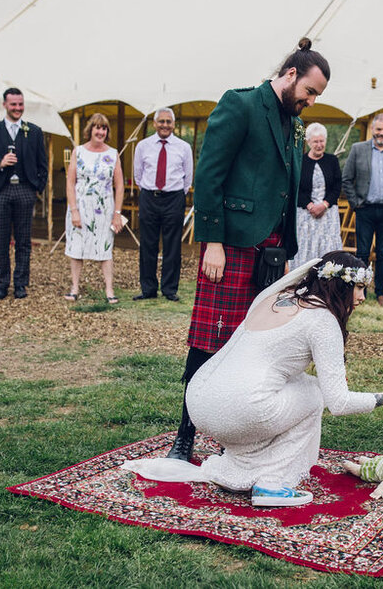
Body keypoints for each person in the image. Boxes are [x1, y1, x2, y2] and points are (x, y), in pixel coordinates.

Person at [124, 252, 383, 508]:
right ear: (336, 285)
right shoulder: (323, 320)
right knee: (315, 392)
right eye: (357, 288)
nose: (361, 298)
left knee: (296, 388)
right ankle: (273, 483)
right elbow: (340, 403)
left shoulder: (277, 296)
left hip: (199, 401)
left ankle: (241, 465)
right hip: (238, 410)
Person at [167, 38, 331, 462]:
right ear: (291, 74)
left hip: (272, 252)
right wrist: (213, 242)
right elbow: (209, 174)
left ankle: (232, 436)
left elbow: (285, 189)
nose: (311, 101)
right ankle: (184, 437)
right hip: (232, 245)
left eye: (317, 96)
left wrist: (288, 248)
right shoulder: (240, 105)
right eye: (310, 91)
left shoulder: (293, 123)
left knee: (251, 345)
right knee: (209, 341)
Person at [0, 88, 48, 300]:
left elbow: (43, 164)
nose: (17, 108)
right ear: (4, 105)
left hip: (25, 191)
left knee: (24, 241)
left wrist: (36, 188)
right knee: (2, 240)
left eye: (20, 104)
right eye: (13, 104)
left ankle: (21, 284)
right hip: (0, 191)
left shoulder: (34, 131)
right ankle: (2, 284)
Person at [341, 113, 383, 306]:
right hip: (365, 208)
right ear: (372, 129)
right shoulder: (358, 149)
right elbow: (346, 178)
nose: (382, 133)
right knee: (362, 252)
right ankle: (361, 291)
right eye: (378, 129)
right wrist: (355, 203)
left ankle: (381, 292)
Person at [132, 108, 194, 302]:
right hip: (149, 197)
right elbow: (138, 175)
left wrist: (175, 194)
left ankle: (169, 289)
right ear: (154, 124)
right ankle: (148, 289)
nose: (165, 125)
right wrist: (150, 192)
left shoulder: (183, 147)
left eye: (168, 122)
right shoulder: (142, 146)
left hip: (174, 198)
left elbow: (188, 177)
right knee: (148, 244)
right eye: (161, 121)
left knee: (172, 245)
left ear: (173, 125)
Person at [64, 113, 125, 303]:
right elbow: (70, 182)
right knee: (77, 247)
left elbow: (120, 185)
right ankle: (74, 288)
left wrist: (117, 214)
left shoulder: (113, 153)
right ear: (90, 130)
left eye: (104, 128)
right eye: (97, 127)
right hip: (80, 207)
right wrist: (74, 210)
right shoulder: (78, 152)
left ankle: (109, 290)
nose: (100, 131)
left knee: (105, 248)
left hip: (104, 209)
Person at [289, 122, 342, 268]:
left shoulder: (332, 160)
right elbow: (295, 187)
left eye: (322, 141)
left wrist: (324, 204)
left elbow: (337, 186)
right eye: (315, 141)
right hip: (306, 214)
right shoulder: (300, 161)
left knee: (328, 250)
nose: (319, 145)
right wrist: (310, 205)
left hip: (328, 214)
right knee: (305, 250)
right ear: (308, 142)